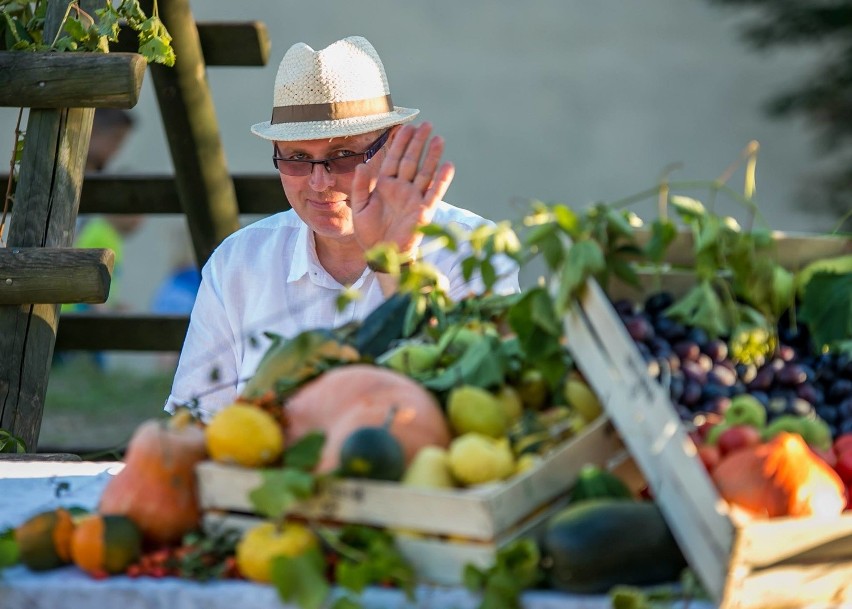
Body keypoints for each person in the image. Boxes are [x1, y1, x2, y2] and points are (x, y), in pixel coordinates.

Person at [165, 35, 519, 417]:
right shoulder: (237, 262)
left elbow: (477, 409)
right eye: (298, 159)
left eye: (344, 155)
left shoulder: (473, 250)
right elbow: (194, 422)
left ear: (394, 143)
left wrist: (397, 262)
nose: (320, 183)